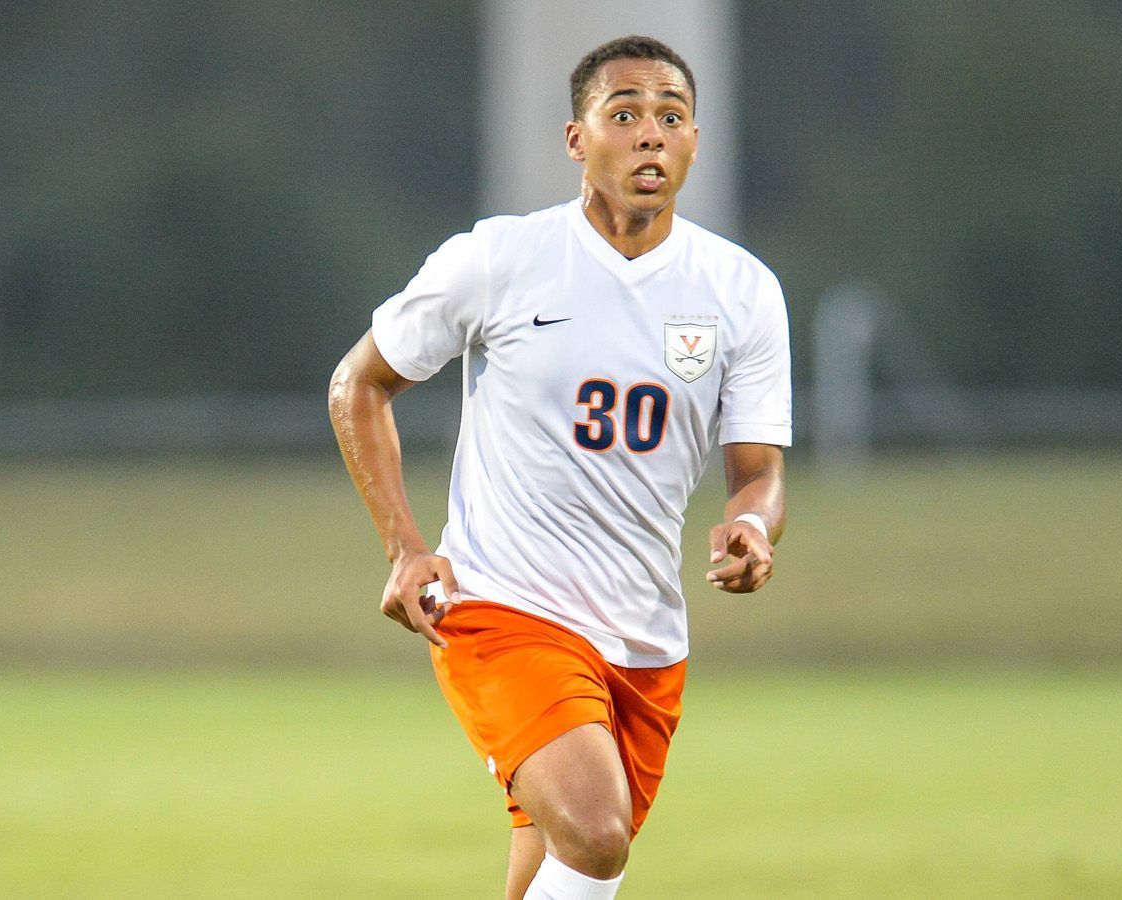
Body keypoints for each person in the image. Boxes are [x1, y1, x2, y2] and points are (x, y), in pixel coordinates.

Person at [328, 34, 790, 900]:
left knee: (555, 865)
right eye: (624, 115)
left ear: (695, 140)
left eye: (671, 116)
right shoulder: (501, 260)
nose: (650, 133)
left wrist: (753, 526)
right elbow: (359, 384)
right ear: (577, 140)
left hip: (646, 638)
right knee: (596, 831)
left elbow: (756, 470)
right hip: (505, 606)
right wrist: (403, 546)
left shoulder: (742, 291)